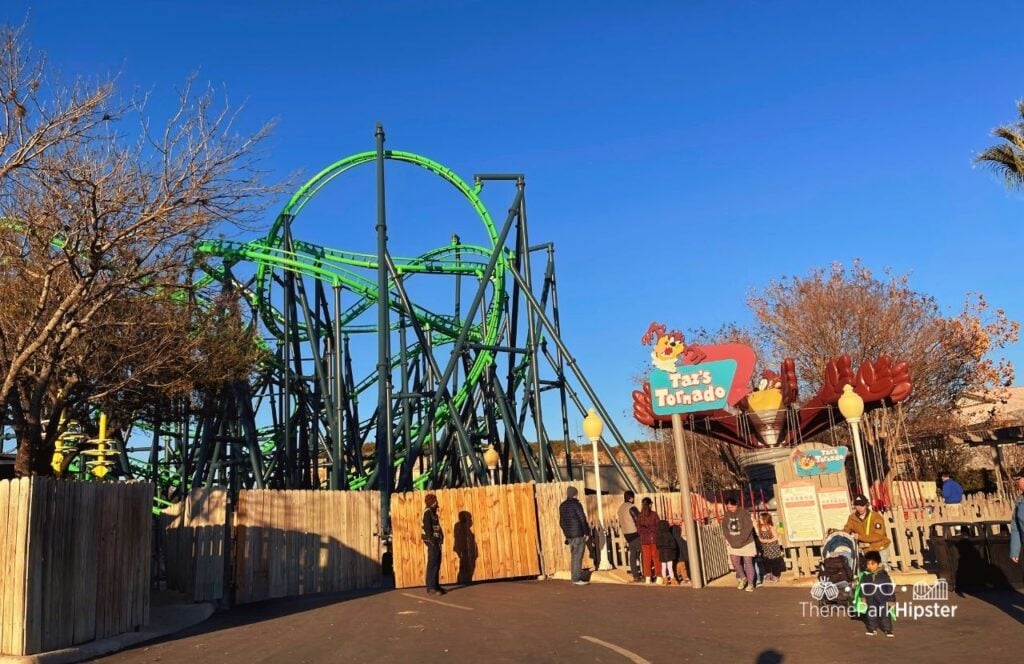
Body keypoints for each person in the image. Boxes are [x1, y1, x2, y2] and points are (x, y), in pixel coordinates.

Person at [853, 550, 895, 637]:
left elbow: (889, 588)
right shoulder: (865, 575)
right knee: (871, 614)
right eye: (868, 564)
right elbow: (862, 586)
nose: (870, 566)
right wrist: (863, 597)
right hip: (870, 598)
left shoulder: (884, 575)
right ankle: (872, 629)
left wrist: (891, 600)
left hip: (883, 598)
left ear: (878, 564)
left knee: (885, 614)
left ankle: (888, 630)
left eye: (873, 564)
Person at [844, 495, 892, 570]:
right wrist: (834, 531)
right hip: (865, 550)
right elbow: (846, 530)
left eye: (862, 505)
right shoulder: (852, 518)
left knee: (883, 569)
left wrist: (859, 537)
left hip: (879, 548)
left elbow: (879, 535)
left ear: (866, 505)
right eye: (857, 505)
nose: (860, 507)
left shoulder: (875, 516)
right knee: (868, 571)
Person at [559, 486, 591, 586]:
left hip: (569, 535)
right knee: (578, 557)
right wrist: (587, 532)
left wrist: (566, 533)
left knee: (574, 556)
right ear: (575, 494)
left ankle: (574, 577)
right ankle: (576, 579)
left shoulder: (562, 506)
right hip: (578, 534)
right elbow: (582, 518)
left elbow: (561, 522)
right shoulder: (576, 504)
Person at [723, 497, 757, 591]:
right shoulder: (726, 515)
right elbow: (725, 529)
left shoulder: (744, 513)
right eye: (728, 507)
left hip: (746, 542)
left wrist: (741, 540)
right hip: (733, 542)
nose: (730, 509)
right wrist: (730, 540)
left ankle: (750, 584)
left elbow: (748, 528)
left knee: (748, 562)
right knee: (735, 562)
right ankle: (743, 578)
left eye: (732, 507)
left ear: (736, 505)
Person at [422, 493, 446, 595]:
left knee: (437, 564)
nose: (437, 502)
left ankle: (436, 585)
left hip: (436, 542)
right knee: (432, 564)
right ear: (432, 502)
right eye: (435, 501)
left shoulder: (433, 512)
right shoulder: (428, 513)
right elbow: (427, 529)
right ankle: (431, 587)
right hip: (432, 543)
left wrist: (440, 539)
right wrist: (432, 541)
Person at [616, 490, 642, 582]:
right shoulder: (631, 507)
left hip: (626, 534)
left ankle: (635, 575)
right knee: (644, 552)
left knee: (633, 554)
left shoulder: (620, 508)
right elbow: (638, 520)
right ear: (631, 498)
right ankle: (646, 573)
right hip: (635, 533)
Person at [637, 497, 661, 584]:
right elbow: (658, 526)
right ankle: (659, 576)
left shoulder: (640, 516)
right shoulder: (654, 514)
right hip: (654, 539)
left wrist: (644, 533)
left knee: (646, 559)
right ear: (650, 504)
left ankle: (647, 577)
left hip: (644, 540)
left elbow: (638, 529)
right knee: (656, 558)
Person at [756, 512, 785, 582]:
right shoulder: (760, 527)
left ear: (765, 519)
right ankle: (769, 574)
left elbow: (776, 537)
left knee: (774, 562)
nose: (759, 519)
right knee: (766, 561)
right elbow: (759, 536)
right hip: (765, 548)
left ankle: (776, 575)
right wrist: (761, 540)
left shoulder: (771, 527)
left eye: (761, 518)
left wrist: (767, 541)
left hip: (773, 547)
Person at [1010, 468, 1024, 579]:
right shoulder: (1020, 501)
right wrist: (1015, 550)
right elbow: (1016, 526)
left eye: (1019, 479)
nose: (1017, 482)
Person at [655, 519, 679, 585]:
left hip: (662, 553)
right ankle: (672, 579)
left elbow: (657, 546)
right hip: (669, 553)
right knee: (670, 567)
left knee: (663, 567)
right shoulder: (669, 535)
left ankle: (665, 579)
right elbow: (673, 545)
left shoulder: (658, 536)